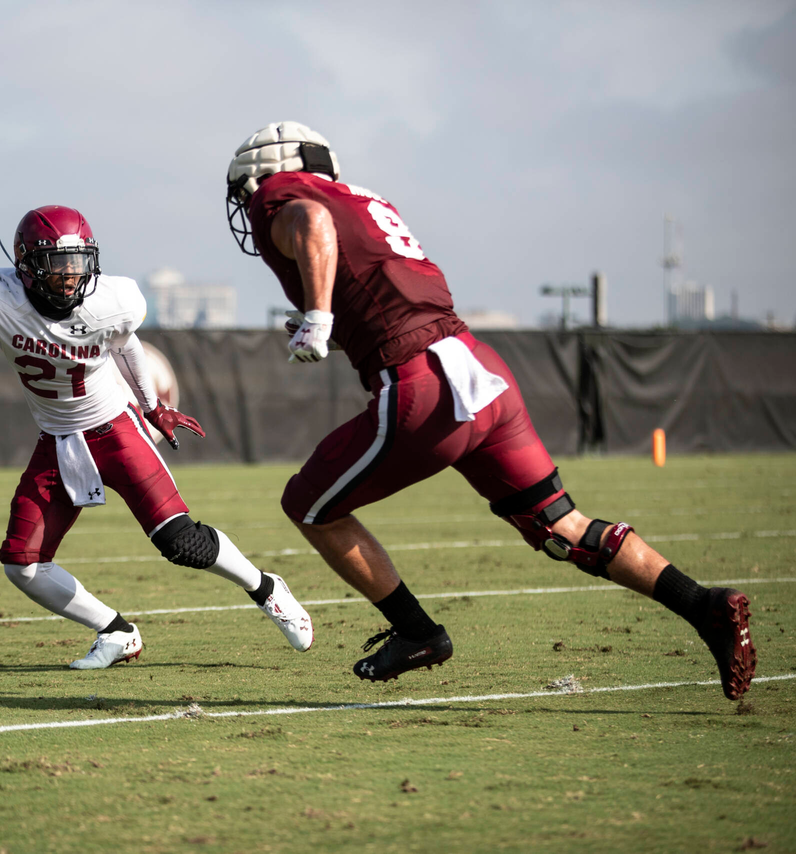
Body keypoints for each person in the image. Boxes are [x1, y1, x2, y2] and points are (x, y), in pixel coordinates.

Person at [223, 121, 755, 699]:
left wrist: (320, 315)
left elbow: (311, 223)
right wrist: (326, 320)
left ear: (268, 173)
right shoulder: (366, 200)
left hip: (425, 384)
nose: (250, 206)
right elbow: (390, 298)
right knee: (562, 530)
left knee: (308, 504)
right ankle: (704, 606)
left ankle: (416, 631)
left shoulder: (290, 198)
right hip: (481, 370)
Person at [0, 205, 313, 669]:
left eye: (77, 262)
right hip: (57, 442)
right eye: (56, 265)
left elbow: (125, 343)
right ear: (25, 267)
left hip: (115, 432)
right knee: (22, 563)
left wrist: (152, 408)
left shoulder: (110, 300)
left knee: (180, 542)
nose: (69, 275)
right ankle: (116, 632)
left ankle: (265, 587)